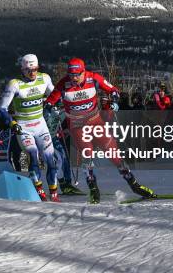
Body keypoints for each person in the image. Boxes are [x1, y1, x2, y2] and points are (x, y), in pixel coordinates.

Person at [46, 57, 155, 203]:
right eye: (71, 75)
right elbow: (49, 102)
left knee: (114, 155)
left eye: (77, 74)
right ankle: (93, 189)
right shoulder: (63, 84)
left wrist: (114, 101)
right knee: (88, 155)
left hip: (95, 122)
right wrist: (49, 109)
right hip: (77, 126)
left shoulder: (93, 78)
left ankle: (134, 185)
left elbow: (113, 90)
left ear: (83, 72)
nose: (74, 78)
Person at [0, 54, 59, 202]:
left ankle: (54, 194)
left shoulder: (44, 78)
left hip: (40, 125)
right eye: (28, 71)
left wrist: (54, 105)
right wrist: (12, 124)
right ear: (22, 70)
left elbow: (56, 95)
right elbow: (2, 109)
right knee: (33, 155)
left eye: (35, 70)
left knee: (51, 160)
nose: (32, 73)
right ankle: (39, 192)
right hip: (24, 127)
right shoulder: (15, 84)